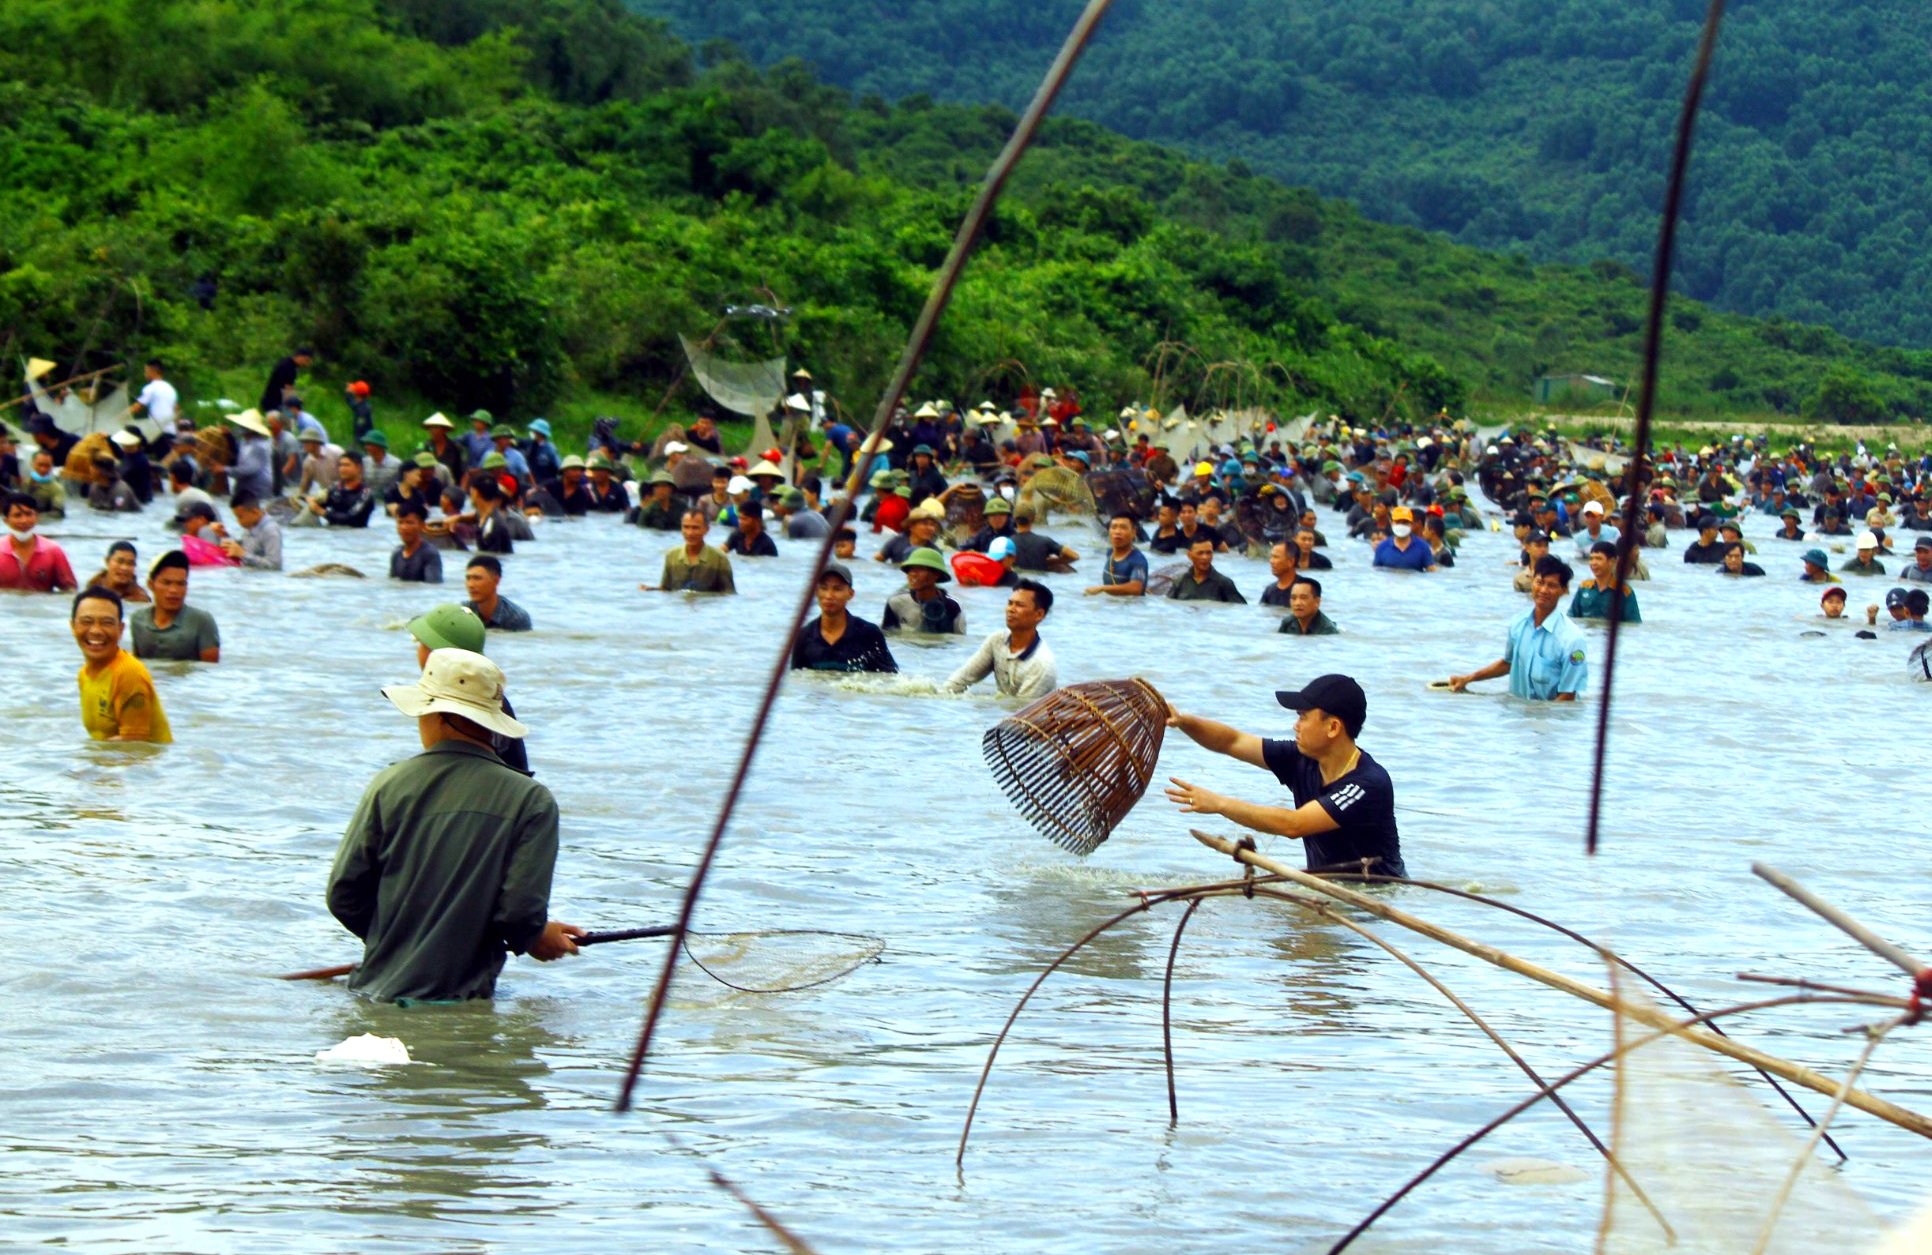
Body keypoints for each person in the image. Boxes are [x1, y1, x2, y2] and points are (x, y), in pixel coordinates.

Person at [325, 648, 579, 1002]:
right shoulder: (531, 801)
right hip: (462, 1000)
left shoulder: (388, 784)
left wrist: (400, 940)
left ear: (439, 716)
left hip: (373, 992)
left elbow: (344, 895)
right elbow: (519, 915)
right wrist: (536, 937)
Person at [1164, 674, 1405, 877]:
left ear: (1333, 727)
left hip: (1374, 898)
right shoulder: (1302, 756)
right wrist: (1184, 722)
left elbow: (1294, 824)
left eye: (1302, 716)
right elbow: (1232, 741)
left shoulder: (1368, 783)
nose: (1295, 725)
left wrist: (1219, 804)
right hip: (1324, 889)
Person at [1446, 555, 1587, 701]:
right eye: (1540, 582)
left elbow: (1568, 696)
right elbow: (1509, 663)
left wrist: (1540, 720)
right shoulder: (1518, 623)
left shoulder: (1573, 639)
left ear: (1564, 590)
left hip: (1551, 720)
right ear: (1532, 582)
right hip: (1518, 716)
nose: (1543, 590)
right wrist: (1468, 679)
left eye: (1551, 585)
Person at [72, 586, 172, 743]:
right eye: (87, 622)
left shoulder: (128, 673)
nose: (96, 630)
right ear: (73, 626)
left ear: (121, 629)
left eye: (106, 622)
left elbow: (133, 746)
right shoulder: (84, 674)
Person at [943, 579, 1058, 699]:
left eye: (1019, 605)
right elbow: (960, 680)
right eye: (1010, 603)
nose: (1011, 609)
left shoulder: (1041, 665)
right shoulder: (997, 640)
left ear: (1039, 614)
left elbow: (1023, 710)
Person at [791, 563, 898, 672]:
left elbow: (890, 677)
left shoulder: (868, 633)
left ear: (850, 594)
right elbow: (797, 679)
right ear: (816, 592)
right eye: (823, 588)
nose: (829, 596)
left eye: (837, 589)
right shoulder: (804, 636)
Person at [131, 551, 220, 663]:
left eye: (180, 584)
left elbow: (210, 672)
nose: (174, 590)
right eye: (166, 583)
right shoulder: (138, 620)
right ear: (151, 584)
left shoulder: (202, 622)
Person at [1, 492, 78, 591]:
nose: (24, 520)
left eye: (29, 514)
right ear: (6, 520)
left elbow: (70, 590)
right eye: (17, 515)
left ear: (37, 516)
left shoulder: (52, 551)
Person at [646, 510, 736, 593]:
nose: (690, 533)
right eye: (686, 527)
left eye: (695, 528)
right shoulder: (671, 556)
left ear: (706, 529)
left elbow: (728, 593)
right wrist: (651, 589)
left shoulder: (719, 558)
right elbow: (666, 590)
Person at [882, 547, 965, 633]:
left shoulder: (953, 607)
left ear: (936, 574)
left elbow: (958, 641)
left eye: (920, 569)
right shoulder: (896, 602)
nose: (913, 574)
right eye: (911, 569)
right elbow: (888, 636)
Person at [1570, 541, 1644, 620]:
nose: (1593, 563)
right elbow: (1572, 618)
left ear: (1612, 561)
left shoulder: (1625, 591)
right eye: (1591, 559)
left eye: (1598, 558)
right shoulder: (1584, 587)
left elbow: (1633, 625)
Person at [1168, 536, 1246, 603]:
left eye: (1209, 553)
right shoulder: (1180, 581)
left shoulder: (1224, 583)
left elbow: (1239, 610)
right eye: (1200, 553)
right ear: (1189, 555)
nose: (1205, 557)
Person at [1086, 513, 1148, 596]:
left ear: (1133, 532)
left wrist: (1102, 588)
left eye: (1123, 528)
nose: (1117, 531)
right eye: (1114, 527)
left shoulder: (1138, 560)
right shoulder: (1109, 552)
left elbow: (1136, 589)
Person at [465, 555, 532, 631]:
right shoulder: (463, 612)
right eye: (468, 578)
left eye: (477, 578)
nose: (470, 585)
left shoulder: (516, 618)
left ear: (496, 580)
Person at [220, 493, 282, 570]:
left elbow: (275, 565)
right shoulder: (251, 524)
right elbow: (247, 545)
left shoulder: (270, 531)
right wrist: (227, 539)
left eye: (240, 517)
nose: (238, 521)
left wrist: (243, 555)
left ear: (255, 512)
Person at [1011, 508, 1078, 572]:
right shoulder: (1045, 541)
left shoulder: (1007, 542)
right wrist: (1049, 562)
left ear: (1014, 519)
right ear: (1034, 518)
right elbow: (1074, 556)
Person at [318, 452, 375, 527]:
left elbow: (350, 518)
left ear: (359, 468)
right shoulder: (335, 488)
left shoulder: (366, 493)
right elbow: (318, 505)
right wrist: (312, 501)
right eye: (340, 465)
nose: (342, 469)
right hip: (332, 534)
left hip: (356, 534)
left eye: (346, 465)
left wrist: (320, 511)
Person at [84, 540, 150, 605]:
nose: (124, 568)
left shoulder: (140, 598)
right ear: (107, 561)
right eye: (120, 561)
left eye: (130, 563)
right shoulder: (91, 589)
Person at [390, 505, 443, 582]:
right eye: (400, 522)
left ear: (422, 525)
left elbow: (433, 586)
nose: (404, 527)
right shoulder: (397, 554)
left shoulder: (430, 554)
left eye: (409, 523)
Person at [258, 347, 313, 416]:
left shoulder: (285, 362)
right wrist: (297, 401)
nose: (306, 364)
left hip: (268, 400)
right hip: (274, 405)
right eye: (306, 360)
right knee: (288, 422)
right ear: (300, 356)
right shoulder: (290, 369)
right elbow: (288, 390)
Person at [130, 358, 178, 430]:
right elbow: (176, 410)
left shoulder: (151, 388)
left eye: (146, 371)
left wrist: (118, 418)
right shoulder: (171, 389)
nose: (145, 374)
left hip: (157, 433)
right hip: (171, 431)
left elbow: (136, 408)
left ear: (152, 371)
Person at [1258, 541, 1302, 607]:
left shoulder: (1304, 588)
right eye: (1271, 557)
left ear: (1291, 562)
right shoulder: (1269, 591)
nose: (1271, 561)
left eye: (1276, 557)